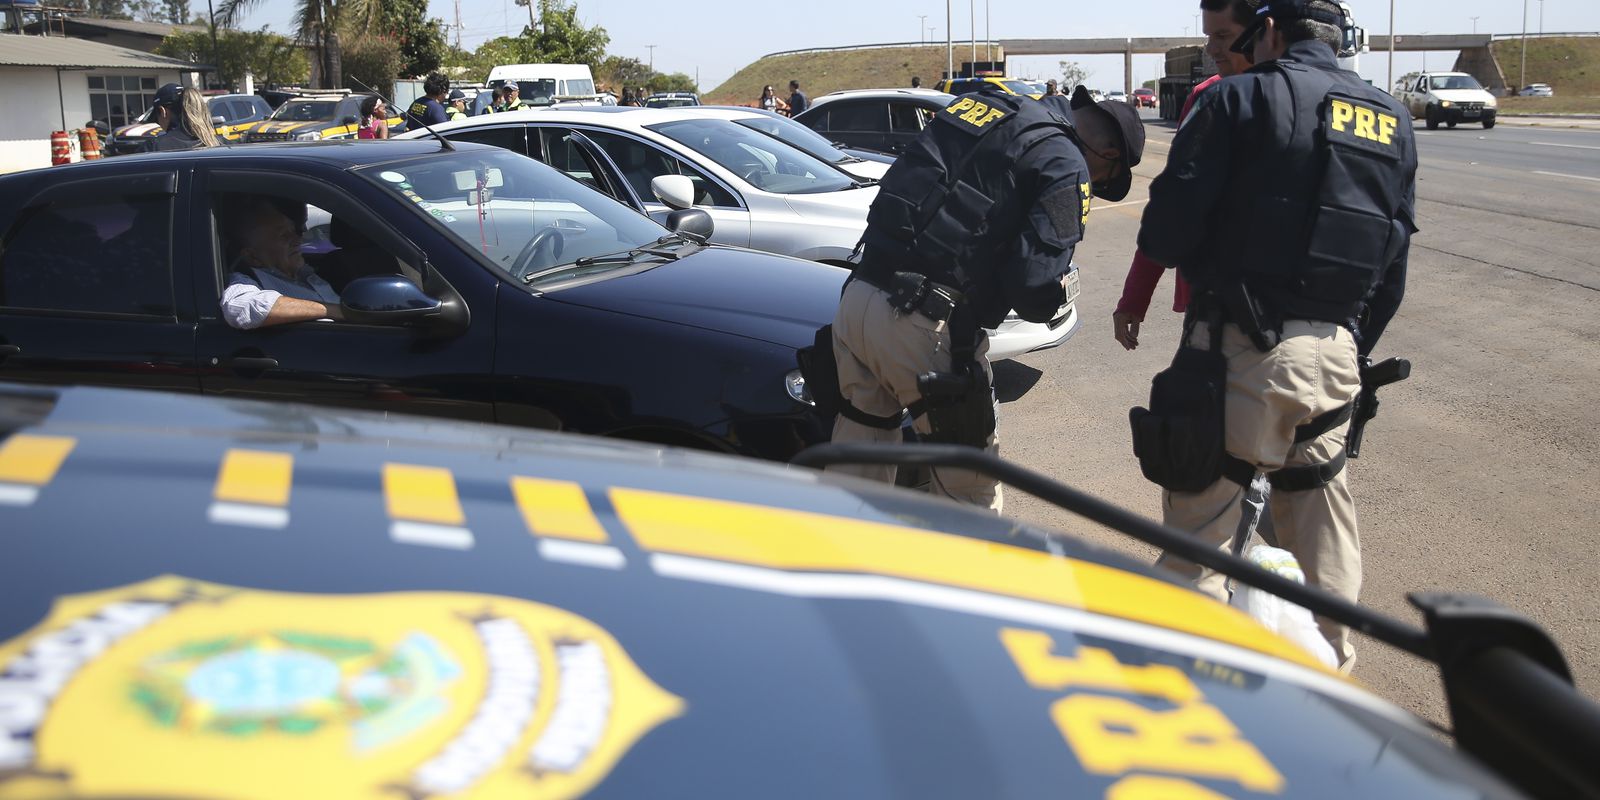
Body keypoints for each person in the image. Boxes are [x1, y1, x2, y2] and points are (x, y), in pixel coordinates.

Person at [1136, 0, 1417, 671]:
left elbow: (1165, 234)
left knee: (1203, 533)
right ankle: (1333, 679)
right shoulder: (1392, 119)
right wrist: (1345, 338)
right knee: (1321, 522)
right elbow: (1395, 266)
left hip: (1246, 353)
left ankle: (1176, 700)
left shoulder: (1239, 100)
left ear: (1268, 32)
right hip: (1338, 357)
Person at [826, 86, 1145, 511]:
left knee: (858, 472)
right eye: (1105, 178)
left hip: (858, 298)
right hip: (925, 329)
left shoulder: (992, 106)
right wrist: (1055, 289)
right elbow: (1034, 289)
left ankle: (841, 570)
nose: (1096, 182)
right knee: (971, 493)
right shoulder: (1065, 164)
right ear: (1107, 153)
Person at [1112, 0, 1254, 351]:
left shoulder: (1302, 103)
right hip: (1208, 306)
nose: (1211, 47)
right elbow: (1173, 207)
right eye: (1209, 35)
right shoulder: (1207, 98)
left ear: (1261, 33)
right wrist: (1135, 297)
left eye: (1223, 35)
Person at [219, 197, 343, 330]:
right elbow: (238, 307)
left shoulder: (305, 274)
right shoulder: (247, 280)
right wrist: (336, 311)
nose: (298, 239)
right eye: (284, 235)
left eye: (294, 231)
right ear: (252, 256)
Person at [146, 83, 219, 152]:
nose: (159, 125)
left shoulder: (153, 147)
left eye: (157, 119)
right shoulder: (219, 143)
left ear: (163, 112)